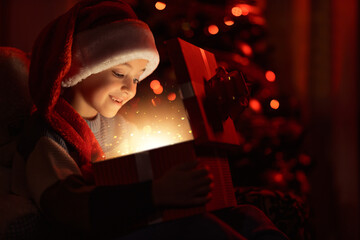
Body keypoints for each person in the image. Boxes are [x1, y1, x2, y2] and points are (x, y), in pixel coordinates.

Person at [12, 0, 288, 239]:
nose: (130, 89)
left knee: (247, 214)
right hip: (94, 233)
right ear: (81, 68)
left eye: (136, 78)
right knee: (194, 226)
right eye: (120, 74)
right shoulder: (50, 133)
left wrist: (214, 120)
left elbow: (165, 154)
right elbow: (66, 205)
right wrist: (154, 193)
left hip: (133, 218)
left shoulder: (115, 125)